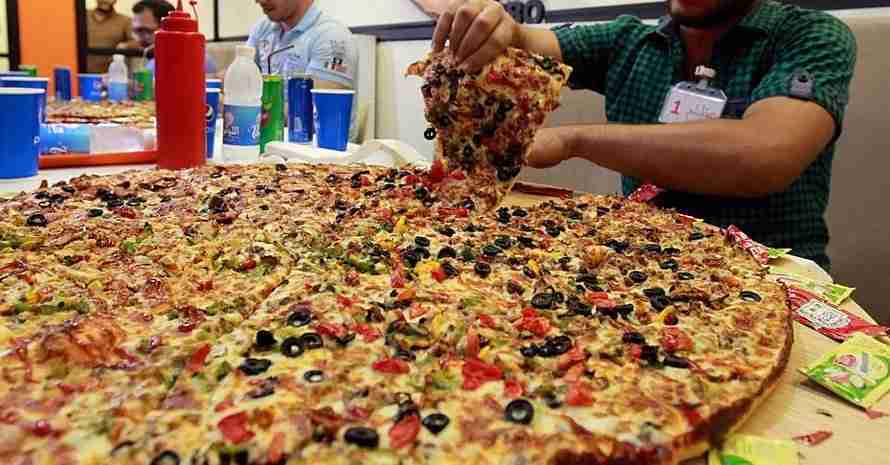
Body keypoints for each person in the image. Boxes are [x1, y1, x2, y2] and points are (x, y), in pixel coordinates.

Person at [433, 0, 856, 268]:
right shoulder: (630, 39)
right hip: (639, 267)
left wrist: (572, 140)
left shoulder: (810, 36)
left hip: (773, 271)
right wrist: (500, 28)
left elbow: (767, 156)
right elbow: (526, 42)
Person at [247, 0, 357, 90]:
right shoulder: (262, 29)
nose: (259, 1)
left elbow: (317, 111)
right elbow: (241, 87)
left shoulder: (332, 37)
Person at [132, 0, 219, 75]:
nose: (138, 39)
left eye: (144, 30)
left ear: (168, 28)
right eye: (135, 31)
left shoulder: (161, 65)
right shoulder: (153, 62)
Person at [86, 0, 133, 73]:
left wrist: (126, 45)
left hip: (110, 76)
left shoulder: (125, 21)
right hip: (81, 72)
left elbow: (137, 42)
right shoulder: (82, 15)